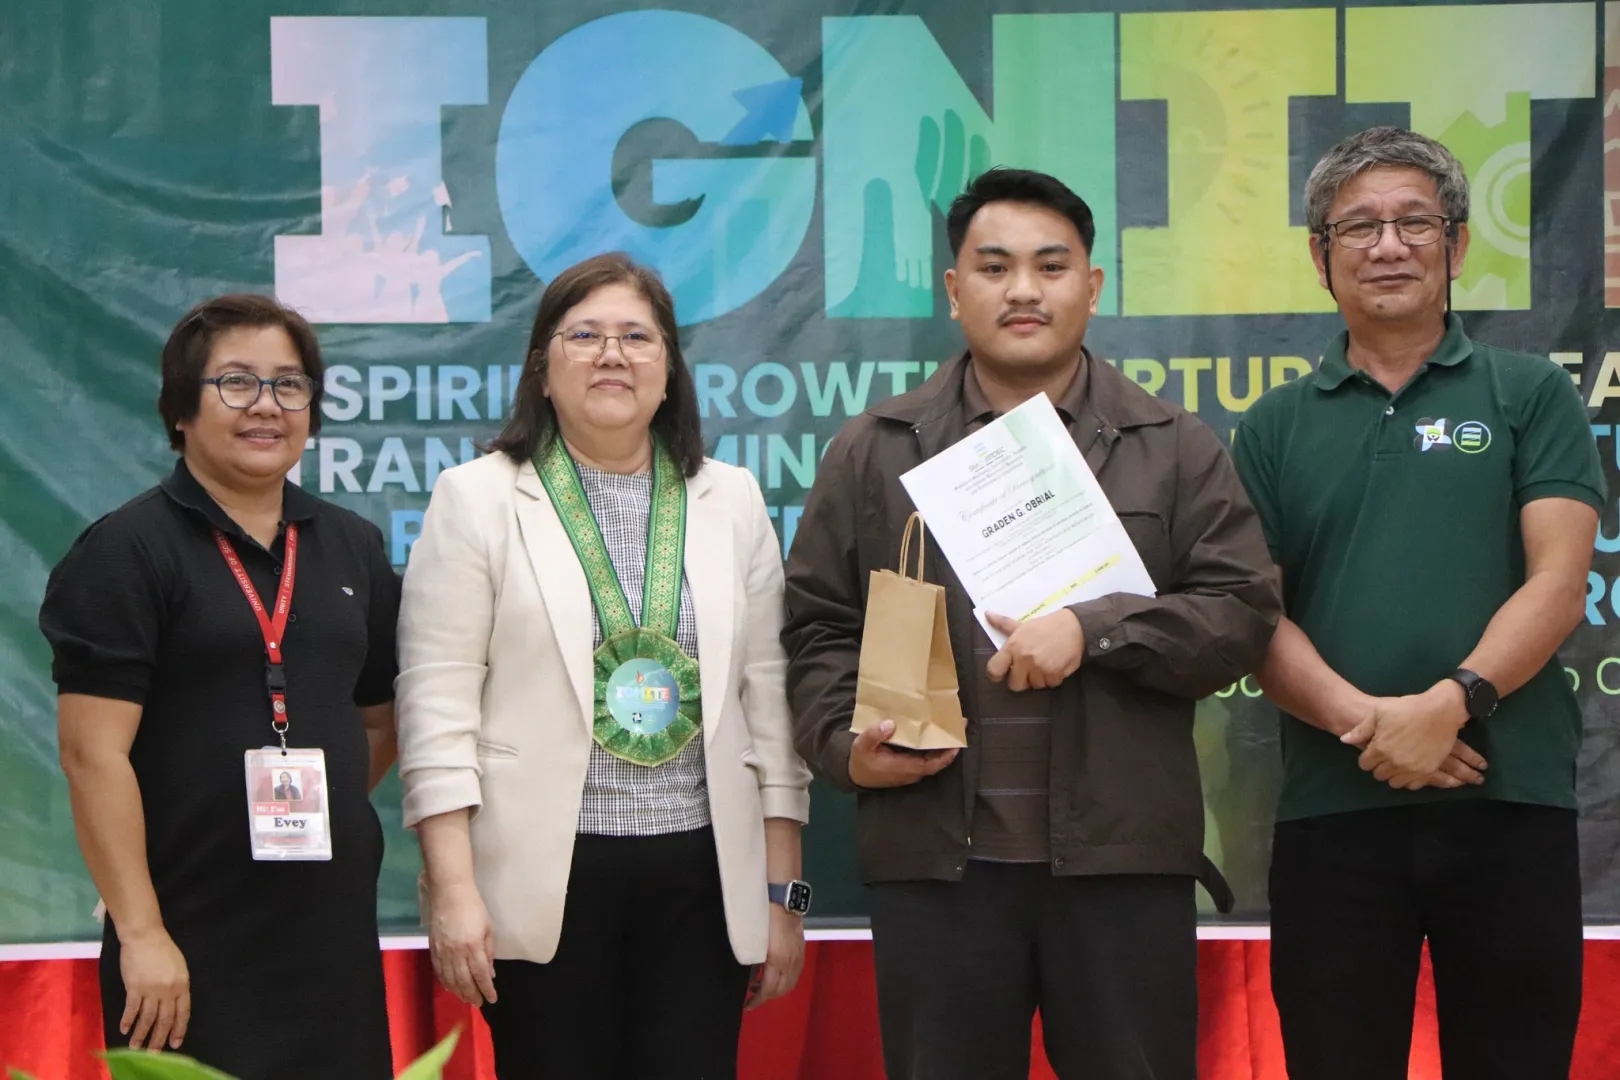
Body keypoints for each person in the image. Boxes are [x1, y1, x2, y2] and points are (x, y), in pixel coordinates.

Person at [782, 168, 1281, 1080]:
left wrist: (1095, 631)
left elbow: (1240, 613)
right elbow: (816, 628)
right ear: (953, 289)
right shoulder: (876, 449)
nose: (1022, 290)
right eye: (994, 267)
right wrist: (845, 748)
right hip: (939, 868)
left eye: (1050, 267)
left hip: (1121, 866)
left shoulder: (1172, 444)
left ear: (1091, 286)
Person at [1232, 126, 1604, 1079]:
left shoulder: (1530, 394)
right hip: (1333, 811)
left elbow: (1560, 582)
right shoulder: (1272, 426)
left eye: (1415, 222)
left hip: (1507, 798)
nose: (1388, 246)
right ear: (1320, 257)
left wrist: (1450, 705)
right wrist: (1372, 727)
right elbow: (1255, 616)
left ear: (1458, 244)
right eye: (1358, 226)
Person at [396, 252, 813, 1079]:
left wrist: (783, 895)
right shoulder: (476, 498)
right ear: (542, 370)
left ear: (670, 370)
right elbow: (436, 707)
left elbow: (772, 705)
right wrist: (453, 888)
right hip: (542, 878)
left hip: (703, 876)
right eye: (584, 336)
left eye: (636, 337)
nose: (612, 355)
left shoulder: (730, 500)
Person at [38, 294, 400, 1076]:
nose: (266, 405)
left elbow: (380, 721)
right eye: (236, 382)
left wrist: (301, 811)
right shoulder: (126, 550)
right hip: (182, 936)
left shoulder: (353, 547)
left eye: (289, 384)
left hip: (330, 935)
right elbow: (92, 757)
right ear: (181, 410)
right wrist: (140, 933)